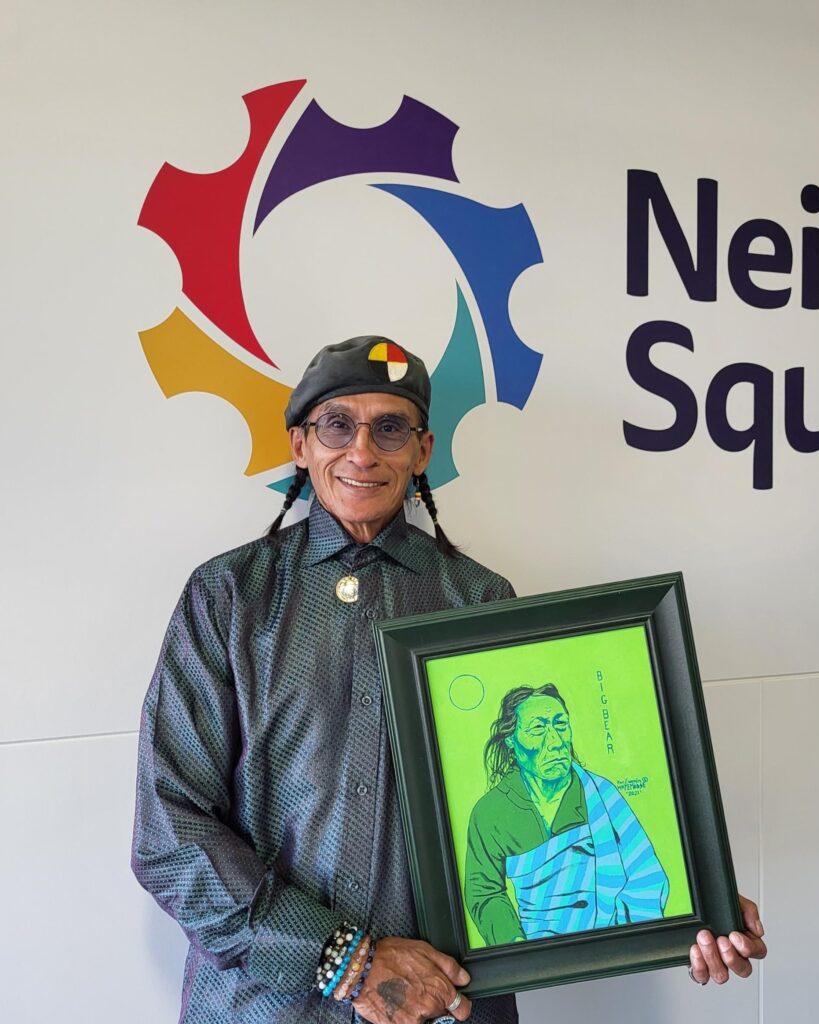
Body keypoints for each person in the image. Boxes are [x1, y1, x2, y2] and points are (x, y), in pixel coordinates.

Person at [131, 335, 765, 1024]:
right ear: (299, 445)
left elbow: (542, 797)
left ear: (422, 450)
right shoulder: (228, 598)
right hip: (265, 1008)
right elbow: (171, 832)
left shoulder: (481, 599)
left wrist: (686, 905)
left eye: (390, 428)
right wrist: (343, 959)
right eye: (337, 425)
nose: (363, 451)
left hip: (447, 1007)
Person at [465, 685, 669, 945]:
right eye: (538, 728)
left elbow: (645, 875)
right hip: (535, 953)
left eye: (560, 725)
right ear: (511, 740)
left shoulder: (600, 795)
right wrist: (516, 945)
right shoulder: (490, 812)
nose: (555, 742)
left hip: (610, 944)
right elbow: (484, 892)